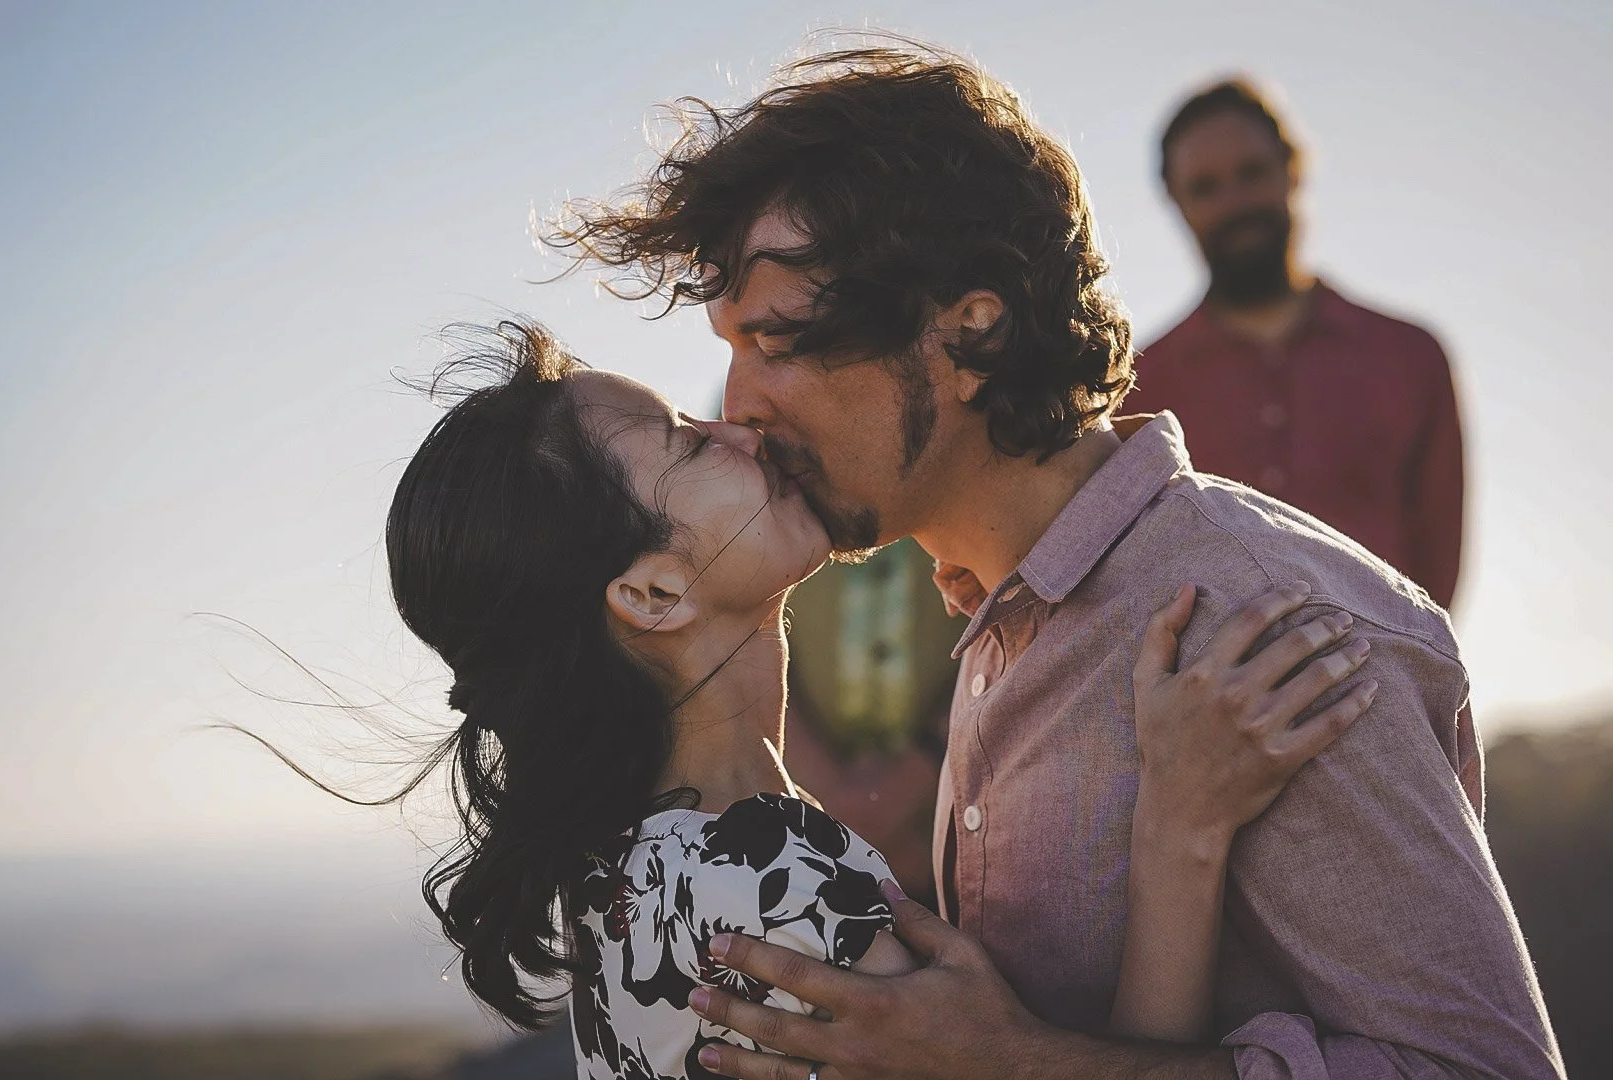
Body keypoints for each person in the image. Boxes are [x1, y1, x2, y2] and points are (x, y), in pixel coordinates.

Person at [551, 41, 1563, 1079]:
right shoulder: (998, 620)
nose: (737, 409)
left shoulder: (1259, 626)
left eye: (774, 343)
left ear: (966, 330)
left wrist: (1020, 1063)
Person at [381, 321, 1370, 1078]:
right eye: (685, 445)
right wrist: (1180, 827)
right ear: (651, 594)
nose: (734, 426)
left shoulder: (638, 874)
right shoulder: (762, 875)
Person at [1124, 79, 1465, 610]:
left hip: (1387, 685)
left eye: (1251, 173)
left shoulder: (1411, 358)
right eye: (1206, 187)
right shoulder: (1137, 389)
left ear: (1293, 169)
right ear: (1177, 203)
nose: (1234, 202)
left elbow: (1440, 562)